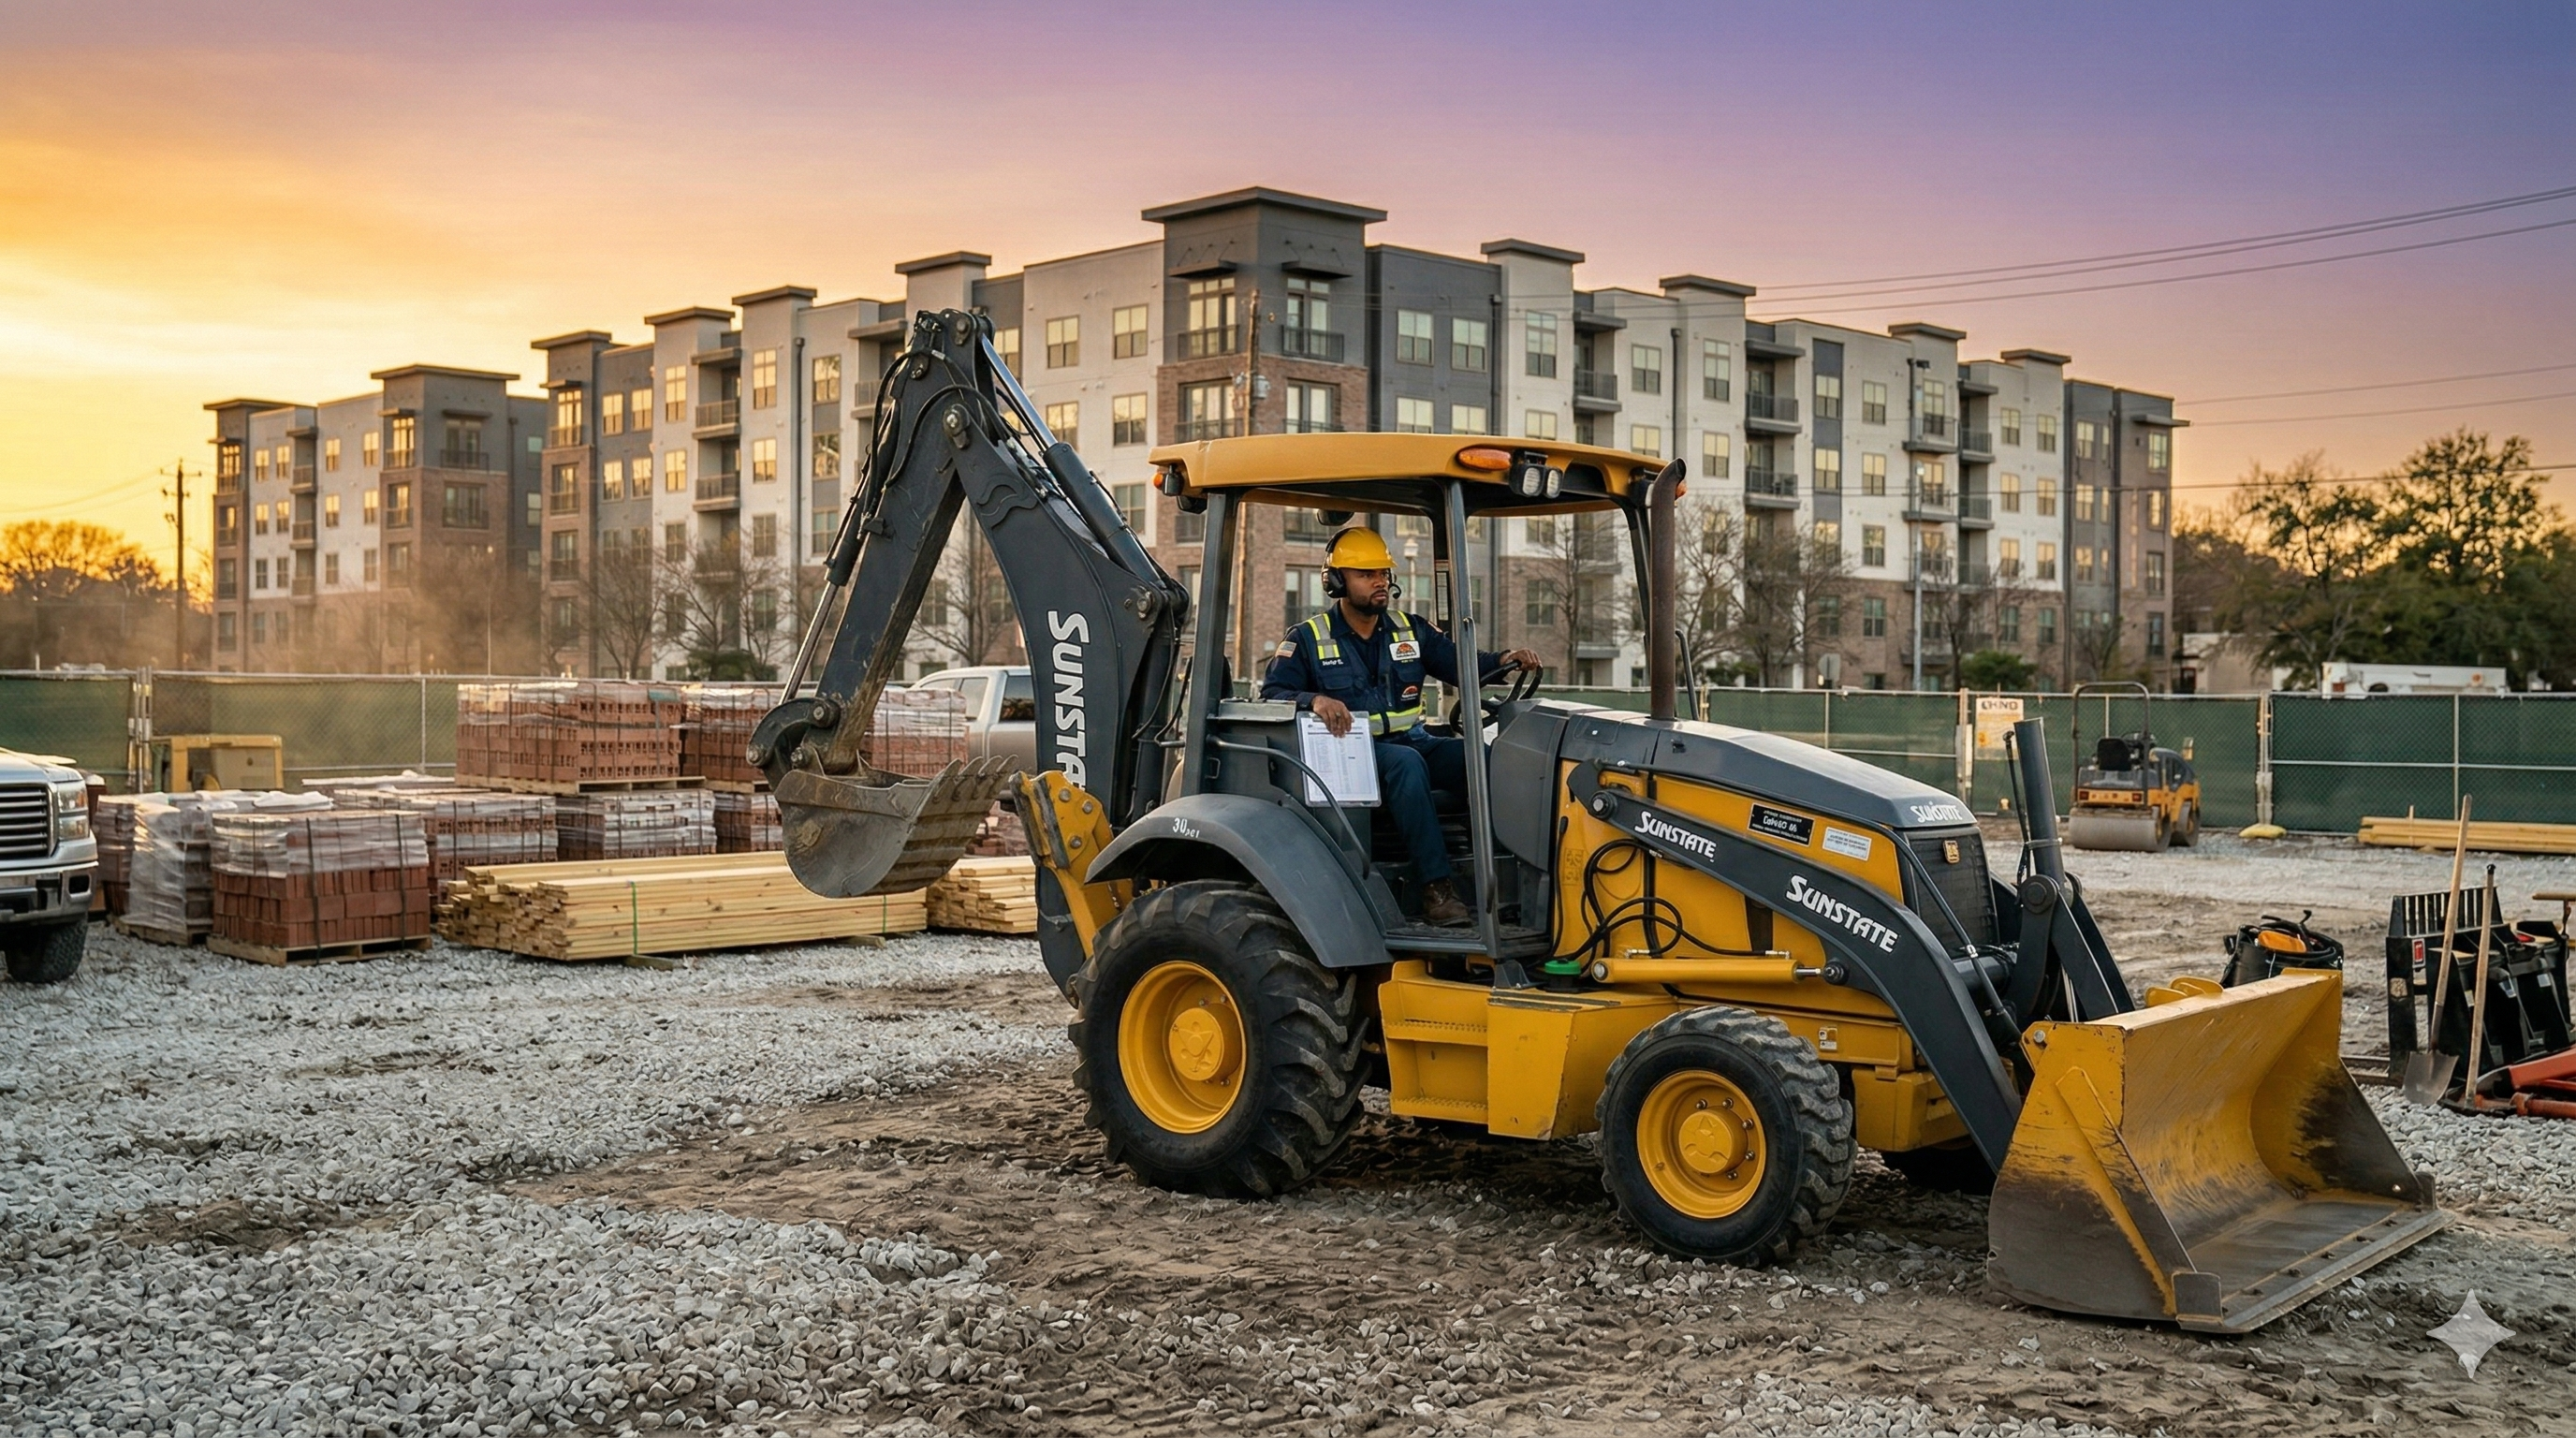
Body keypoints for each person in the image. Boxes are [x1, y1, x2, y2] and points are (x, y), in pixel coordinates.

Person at [1262, 527, 1540, 927]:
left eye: (1383, 574)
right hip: (1353, 753)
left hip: (1412, 740)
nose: (1380, 582)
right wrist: (1314, 700)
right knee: (1406, 764)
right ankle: (1437, 889)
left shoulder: (1410, 630)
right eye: (1367, 574)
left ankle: (1506, 872)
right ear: (1337, 581)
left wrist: (1506, 659)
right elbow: (1273, 694)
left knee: (1481, 758)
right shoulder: (1307, 639)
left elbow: (1462, 664)